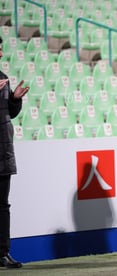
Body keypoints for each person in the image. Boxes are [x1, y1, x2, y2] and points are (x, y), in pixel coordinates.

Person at [0, 36, 30, 269]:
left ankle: (3, 252)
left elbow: (9, 112)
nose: (1, 54)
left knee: (2, 205)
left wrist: (14, 99)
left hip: (3, 151)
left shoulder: (3, 79)